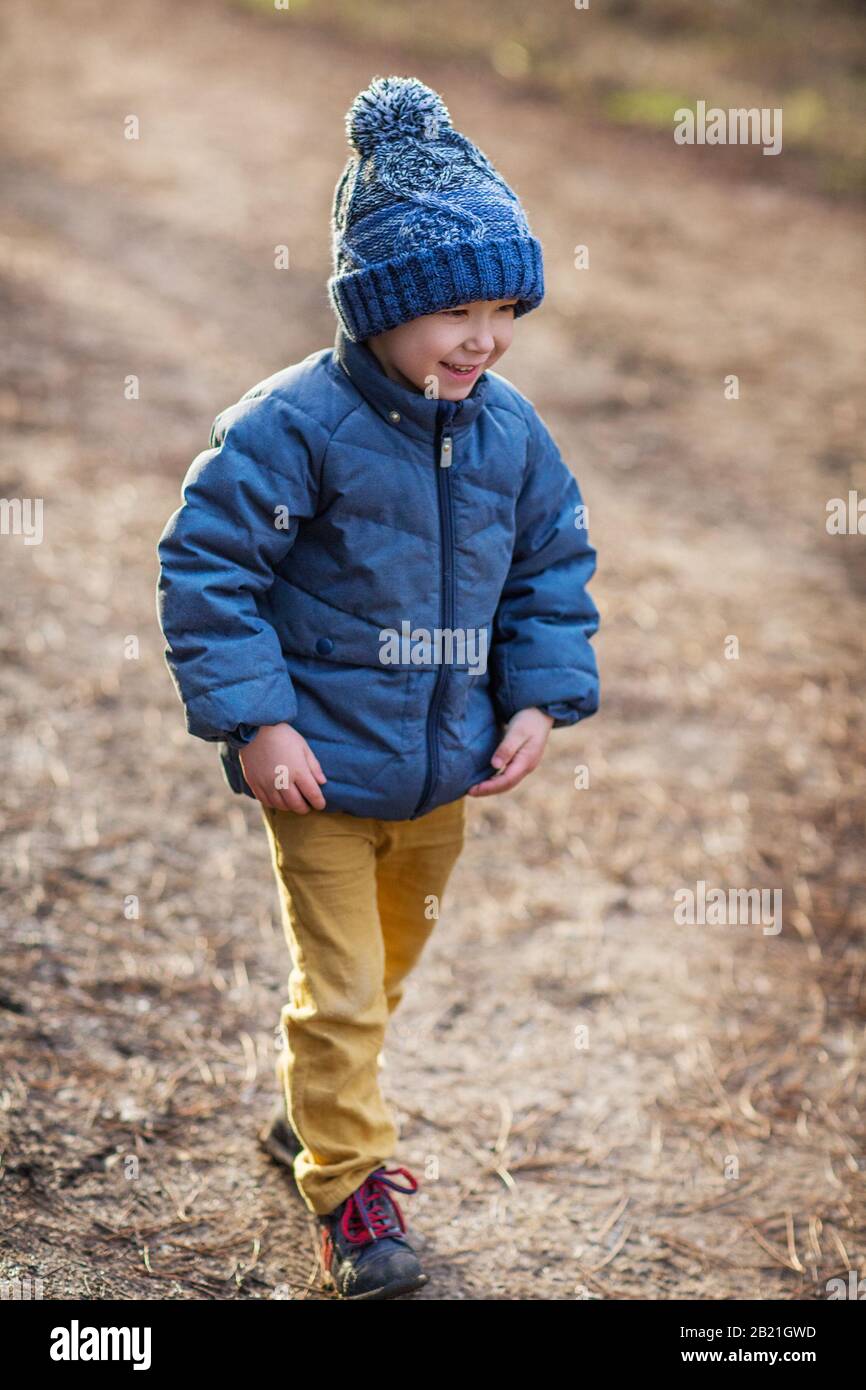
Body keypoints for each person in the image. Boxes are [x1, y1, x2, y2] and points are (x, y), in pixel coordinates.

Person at [155, 74, 600, 1300]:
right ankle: (352, 1193)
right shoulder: (291, 427)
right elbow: (209, 567)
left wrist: (532, 697)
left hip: (439, 774)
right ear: (379, 308)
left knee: (383, 968)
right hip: (323, 777)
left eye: (504, 308)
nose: (484, 337)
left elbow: (550, 570)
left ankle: (314, 1107)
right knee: (344, 988)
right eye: (453, 309)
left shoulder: (510, 435)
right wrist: (256, 718)